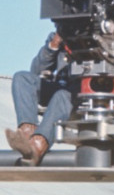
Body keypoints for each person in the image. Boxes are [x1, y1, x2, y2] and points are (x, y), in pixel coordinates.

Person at [5, 31, 73, 166]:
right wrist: (52, 46)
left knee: (61, 95)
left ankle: (37, 146)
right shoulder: (59, 36)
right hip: (60, 87)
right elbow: (36, 70)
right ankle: (27, 134)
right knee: (22, 78)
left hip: (81, 93)